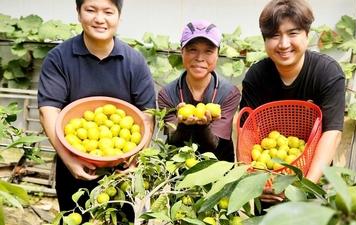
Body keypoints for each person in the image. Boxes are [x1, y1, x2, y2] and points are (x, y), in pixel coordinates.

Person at [37, 0, 156, 216]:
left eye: (108, 11)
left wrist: (137, 157)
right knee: (75, 219)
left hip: (121, 173)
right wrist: (68, 158)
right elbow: (49, 110)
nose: (99, 18)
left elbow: (147, 114)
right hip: (73, 167)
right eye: (91, 10)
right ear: (78, 13)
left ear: (119, 17)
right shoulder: (59, 58)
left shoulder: (134, 62)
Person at [240, 0, 345, 203]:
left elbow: (332, 134)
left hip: (315, 176)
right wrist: (252, 181)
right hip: (268, 180)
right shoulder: (256, 76)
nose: (283, 44)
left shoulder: (327, 73)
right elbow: (247, 133)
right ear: (265, 41)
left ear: (307, 35)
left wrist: (303, 187)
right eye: (274, 36)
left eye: (293, 33)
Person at [158, 20, 241, 162]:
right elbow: (172, 139)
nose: (200, 58)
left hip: (218, 170)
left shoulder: (229, 93)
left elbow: (214, 144)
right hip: (177, 172)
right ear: (181, 51)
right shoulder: (167, 94)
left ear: (217, 54)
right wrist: (182, 125)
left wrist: (203, 126)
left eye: (208, 51)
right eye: (192, 49)